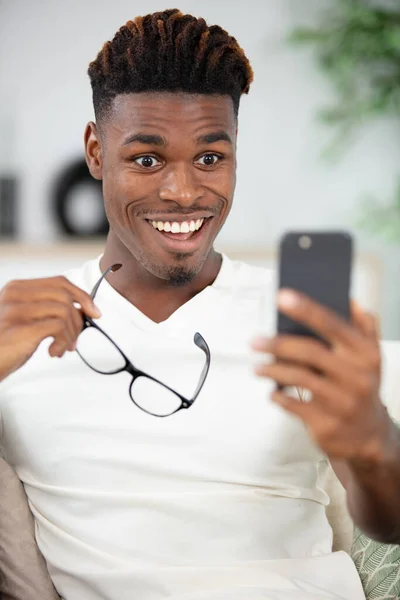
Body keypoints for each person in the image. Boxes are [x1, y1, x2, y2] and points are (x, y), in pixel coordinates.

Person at [0, 8, 399, 600]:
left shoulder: (298, 316)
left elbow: (389, 524)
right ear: (94, 151)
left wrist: (371, 440)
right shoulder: (21, 333)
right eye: (146, 159)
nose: (184, 192)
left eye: (211, 158)